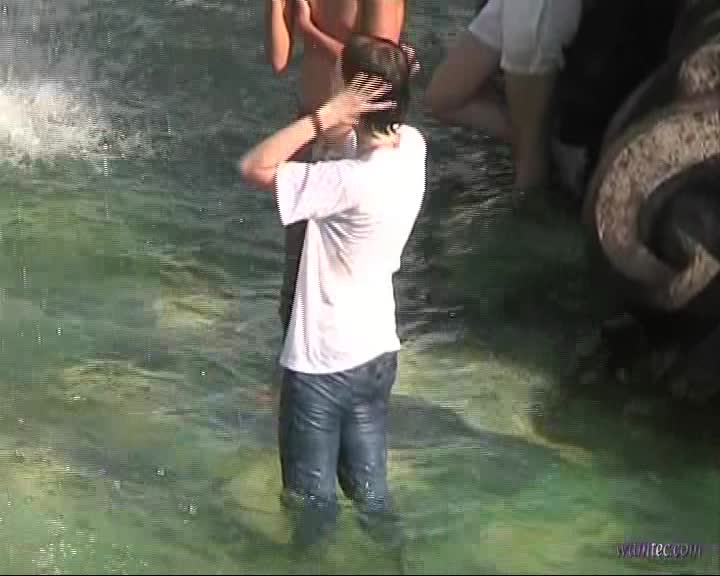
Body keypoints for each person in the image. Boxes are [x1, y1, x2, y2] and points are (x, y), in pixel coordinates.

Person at [239, 34, 425, 552]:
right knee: (372, 498)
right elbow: (358, 139)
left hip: (321, 365)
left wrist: (323, 116)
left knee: (311, 506)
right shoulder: (412, 150)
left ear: (353, 95)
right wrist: (385, 87)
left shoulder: (346, 182)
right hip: (376, 355)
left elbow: (255, 165)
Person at [264, 0, 408, 336]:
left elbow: (381, 75)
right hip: (308, 130)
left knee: (339, 278)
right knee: (296, 278)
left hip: (356, 144)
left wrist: (310, 32)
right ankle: (291, 361)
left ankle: (343, 355)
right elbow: (278, 60)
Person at [424, 0, 583, 193]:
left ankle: (539, 159)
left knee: (528, 156)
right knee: (442, 98)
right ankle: (549, 146)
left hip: (538, 10)